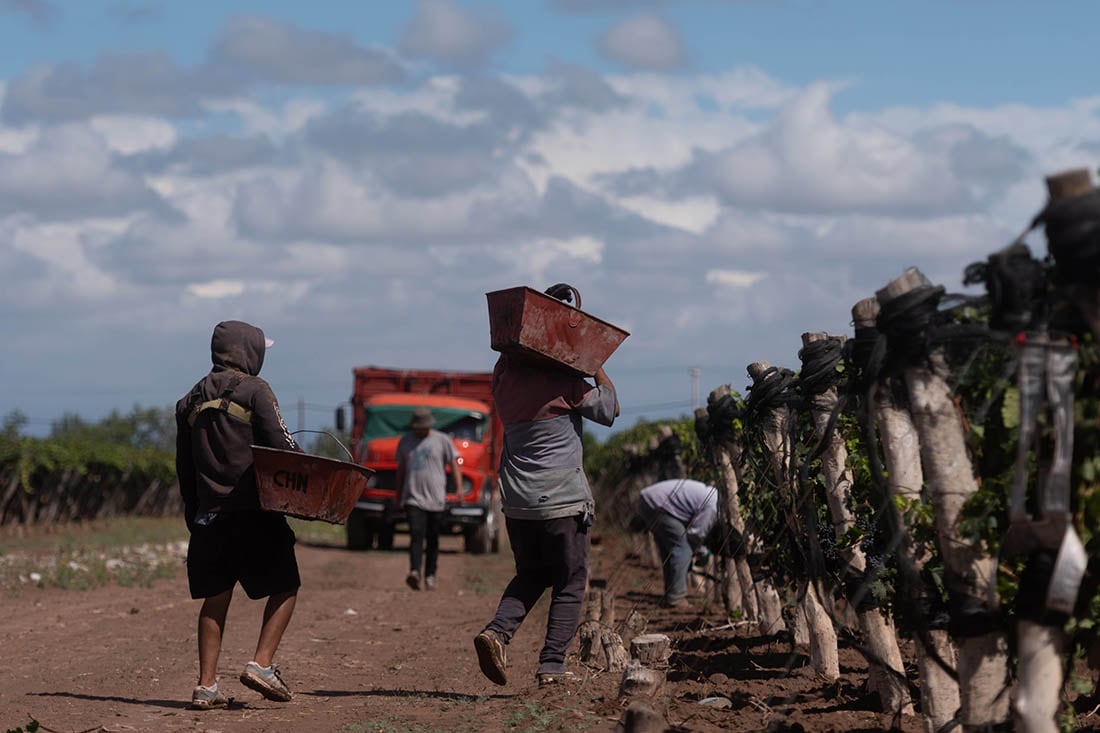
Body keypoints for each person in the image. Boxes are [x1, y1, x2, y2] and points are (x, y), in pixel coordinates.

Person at [473, 315, 619, 687]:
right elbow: (611, 409)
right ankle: (552, 666)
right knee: (570, 582)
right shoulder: (566, 385)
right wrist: (593, 360)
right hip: (561, 500)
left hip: (518, 501)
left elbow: (506, 356)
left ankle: (497, 633)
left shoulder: (504, 380)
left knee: (531, 574)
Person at [175, 320, 302, 710]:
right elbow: (279, 445)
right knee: (286, 586)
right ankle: (261, 665)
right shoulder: (256, 390)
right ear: (249, 351)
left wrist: (194, 514)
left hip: (208, 517)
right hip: (254, 512)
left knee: (215, 599)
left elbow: (184, 468)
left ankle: (206, 686)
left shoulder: (188, 401)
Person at [395, 405, 462, 591]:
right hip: (413, 497)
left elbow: (454, 464)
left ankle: (430, 574)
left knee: (433, 538)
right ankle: (415, 571)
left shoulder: (442, 440)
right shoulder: (405, 442)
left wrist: (458, 488)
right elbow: (401, 470)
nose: (420, 429)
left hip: (436, 498)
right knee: (416, 535)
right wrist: (398, 495)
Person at [636, 479, 718, 608]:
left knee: (668, 550)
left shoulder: (713, 496)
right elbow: (695, 534)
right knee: (682, 549)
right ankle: (677, 598)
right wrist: (702, 551)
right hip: (658, 504)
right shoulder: (713, 507)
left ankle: (670, 593)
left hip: (648, 501)